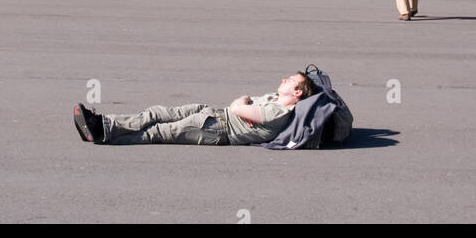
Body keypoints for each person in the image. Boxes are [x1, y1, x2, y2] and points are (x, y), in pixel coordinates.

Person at [73, 72, 315, 146]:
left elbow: (238, 105)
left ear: (297, 93)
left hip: (216, 128)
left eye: (290, 80)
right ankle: (104, 124)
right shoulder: (273, 98)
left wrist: (243, 106)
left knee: (158, 132)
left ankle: (104, 137)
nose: (284, 79)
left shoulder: (278, 112)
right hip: (213, 114)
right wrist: (244, 104)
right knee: (155, 113)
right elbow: (243, 100)